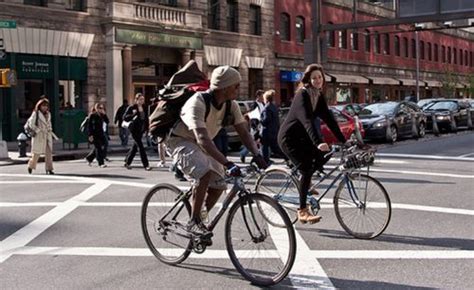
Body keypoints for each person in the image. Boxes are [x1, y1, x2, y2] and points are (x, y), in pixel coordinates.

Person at [167, 65, 267, 237]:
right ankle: (194, 222)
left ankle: (200, 215)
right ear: (225, 87)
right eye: (236, 85)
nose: (238, 88)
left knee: (219, 184)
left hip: (203, 144)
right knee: (204, 173)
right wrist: (227, 163)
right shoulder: (197, 102)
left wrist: (257, 154)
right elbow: (202, 139)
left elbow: (243, 132)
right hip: (180, 141)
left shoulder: (231, 105)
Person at [278, 64, 347, 224]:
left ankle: (306, 184)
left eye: (320, 77)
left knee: (326, 154)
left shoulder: (318, 95)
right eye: (314, 77)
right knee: (306, 169)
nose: (317, 80)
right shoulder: (302, 95)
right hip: (289, 139)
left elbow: (330, 119)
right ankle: (302, 211)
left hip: (303, 139)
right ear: (308, 79)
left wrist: (344, 140)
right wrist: (318, 142)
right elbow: (307, 120)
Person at [27, 97, 57, 175]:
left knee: (49, 153)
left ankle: (49, 169)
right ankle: (31, 166)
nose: (45, 107)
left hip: (47, 135)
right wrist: (38, 130)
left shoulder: (48, 114)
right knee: (36, 153)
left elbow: (49, 123)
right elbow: (31, 124)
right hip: (39, 136)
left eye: (46, 105)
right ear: (39, 106)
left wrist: (50, 129)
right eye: (43, 105)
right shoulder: (36, 113)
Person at [123, 93, 151, 171]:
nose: (142, 101)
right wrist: (133, 115)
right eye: (140, 99)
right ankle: (146, 165)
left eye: (143, 99)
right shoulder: (132, 107)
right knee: (141, 147)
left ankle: (127, 162)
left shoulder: (145, 107)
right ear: (136, 100)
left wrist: (147, 128)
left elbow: (147, 119)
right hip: (134, 129)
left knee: (135, 147)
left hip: (141, 129)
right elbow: (125, 117)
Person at [260, 90, 284, 164]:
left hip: (267, 131)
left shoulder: (266, 108)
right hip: (274, 131)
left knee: (265, 147)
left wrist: (260, 119)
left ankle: (265, 161)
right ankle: (287, 158)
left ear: (266, 98)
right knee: (275, 148)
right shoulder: (274, 107)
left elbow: (266, 120)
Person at [85, 103, 108, 168]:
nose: (101, 109)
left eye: (102, 108)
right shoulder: (92, 115)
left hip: (101, 134)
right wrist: (90, 135)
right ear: (96, 108)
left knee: (104, 144)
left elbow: (107, 121)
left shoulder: (102, 115)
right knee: (99, 148)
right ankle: (101, 163)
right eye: (100, 108)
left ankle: (89, 158)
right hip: (94, 134)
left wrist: (104, 114)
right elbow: (89, 126)